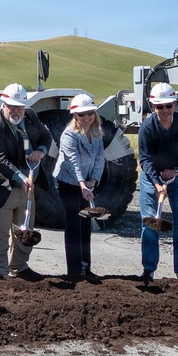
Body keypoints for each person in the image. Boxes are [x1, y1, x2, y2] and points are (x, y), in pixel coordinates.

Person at [0, 83, 53, 280]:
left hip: (27, 188)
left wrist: (41, 151)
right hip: (1, 188)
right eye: (12, 106)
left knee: (25, 230)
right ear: (2, 105)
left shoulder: (30, 116)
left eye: (20, 106)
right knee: (1, 234)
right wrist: (21, 178)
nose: (17, 110)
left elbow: (47, 136)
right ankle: (0, 272)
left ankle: (19, 266)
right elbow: (0, 160)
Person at [138, 83, 178, 282]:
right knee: (150, 222)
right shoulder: (147, 127)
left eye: (168, 105)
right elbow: (145, 159)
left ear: (175, 104)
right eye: (160, 106)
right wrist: (158, 183)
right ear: (153, 107)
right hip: (152, 179)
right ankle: (149, 270)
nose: (165, 110)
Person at [52, 93, 105, 280]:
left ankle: (86, 267)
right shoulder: (69, 135)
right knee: (74, 223)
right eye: (81, 114)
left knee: (85, 223)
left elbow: (100, 158)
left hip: (87, 183)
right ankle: (74, 271)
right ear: (75, 116)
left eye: (89, 112)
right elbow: (73, 162)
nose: (86, 117)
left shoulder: (97, 132)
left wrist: (93, 181)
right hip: (67, 182)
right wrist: (82, 185)